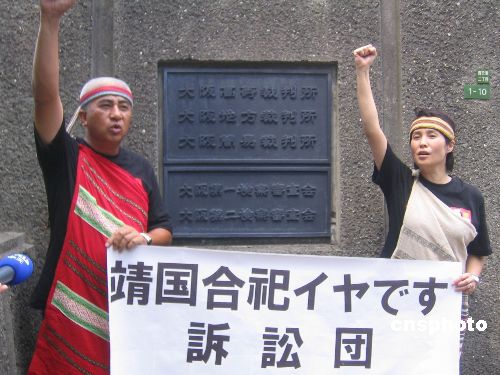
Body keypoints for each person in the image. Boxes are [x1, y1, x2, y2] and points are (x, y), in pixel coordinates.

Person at [29, 0, 173, 373]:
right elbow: (45, 97)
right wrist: (50, 20)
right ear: (83, 115)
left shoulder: (140, 169)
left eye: (124, 107)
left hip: (126, 314)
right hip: (69, 307)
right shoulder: (67, 158)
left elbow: (164, 230)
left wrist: (142, 238)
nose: (116, 114)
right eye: (105, 106)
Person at [353, 44, 491, 354]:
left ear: (449, 145)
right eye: (416, 137)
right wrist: (362, 72)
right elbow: (371, 129)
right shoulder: (400, 182)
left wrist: (473, 278)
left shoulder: (471, 196)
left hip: (447, 302)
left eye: (431, 136)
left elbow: (478, 251)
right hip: (394, 298)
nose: (422, 143)